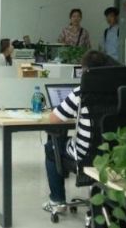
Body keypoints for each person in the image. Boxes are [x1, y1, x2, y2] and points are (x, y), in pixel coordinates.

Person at [42, 49, 113, 213]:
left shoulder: (81, 92)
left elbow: (54, 119)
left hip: (85, 154)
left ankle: (57, 201)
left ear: (85, 71)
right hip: (111, 153)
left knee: (52, 146)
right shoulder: (119, 91)